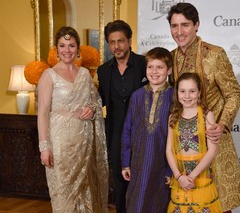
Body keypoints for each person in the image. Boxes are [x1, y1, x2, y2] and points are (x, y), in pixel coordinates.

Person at [167, 3, 240, 212]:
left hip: (213, 140)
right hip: (185, 145)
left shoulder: (215, 54)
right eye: (175, 26)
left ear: (197, 25)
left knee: (219, 204)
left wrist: (222, 124)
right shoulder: (171, 58)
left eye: (185, 25)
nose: (180, 31)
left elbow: (233, 94)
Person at [37, 26, 108, 213]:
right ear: (56, 49)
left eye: (71, 45)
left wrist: (92, 110)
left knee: (85, 190)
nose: (67, 50)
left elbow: (96, 101)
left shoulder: (85, 74)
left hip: (83, 142)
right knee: (63, 192)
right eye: (62, 45)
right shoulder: (49, 75)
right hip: (60, 143)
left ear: (78, 49)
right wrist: (44, 147)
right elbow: (43, 112)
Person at [97, 20, 148, 213]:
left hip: (144, 133)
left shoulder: (145, 64)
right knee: (120, 186)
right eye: (112, 42)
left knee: (144, 182)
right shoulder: (103, 70)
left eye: (121, 41)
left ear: (129, 41)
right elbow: (100, 99)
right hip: (116, 135)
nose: (117, 46)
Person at [121, 47, 173, 213]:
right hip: (138, 162)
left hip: (162, 163)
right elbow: (127, 130)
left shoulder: (176, 96)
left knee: (159, 203)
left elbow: (178, 136)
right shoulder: (136, 96)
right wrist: (125, 163)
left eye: (160, 67)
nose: (154, 71)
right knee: (137, 201)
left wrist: (170, 170)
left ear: (169, 70)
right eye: (150, 67)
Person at [166, 72, 222, 212]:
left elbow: (212, 150)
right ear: (177, 93)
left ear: (199, 92)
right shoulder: (173, 116)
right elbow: (169, 150)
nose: (187, 96)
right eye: (182, 91)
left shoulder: (206, 115)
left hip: (199, 177)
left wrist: (191, 177)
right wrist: (179, 177)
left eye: (192, 91)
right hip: (180, 178)